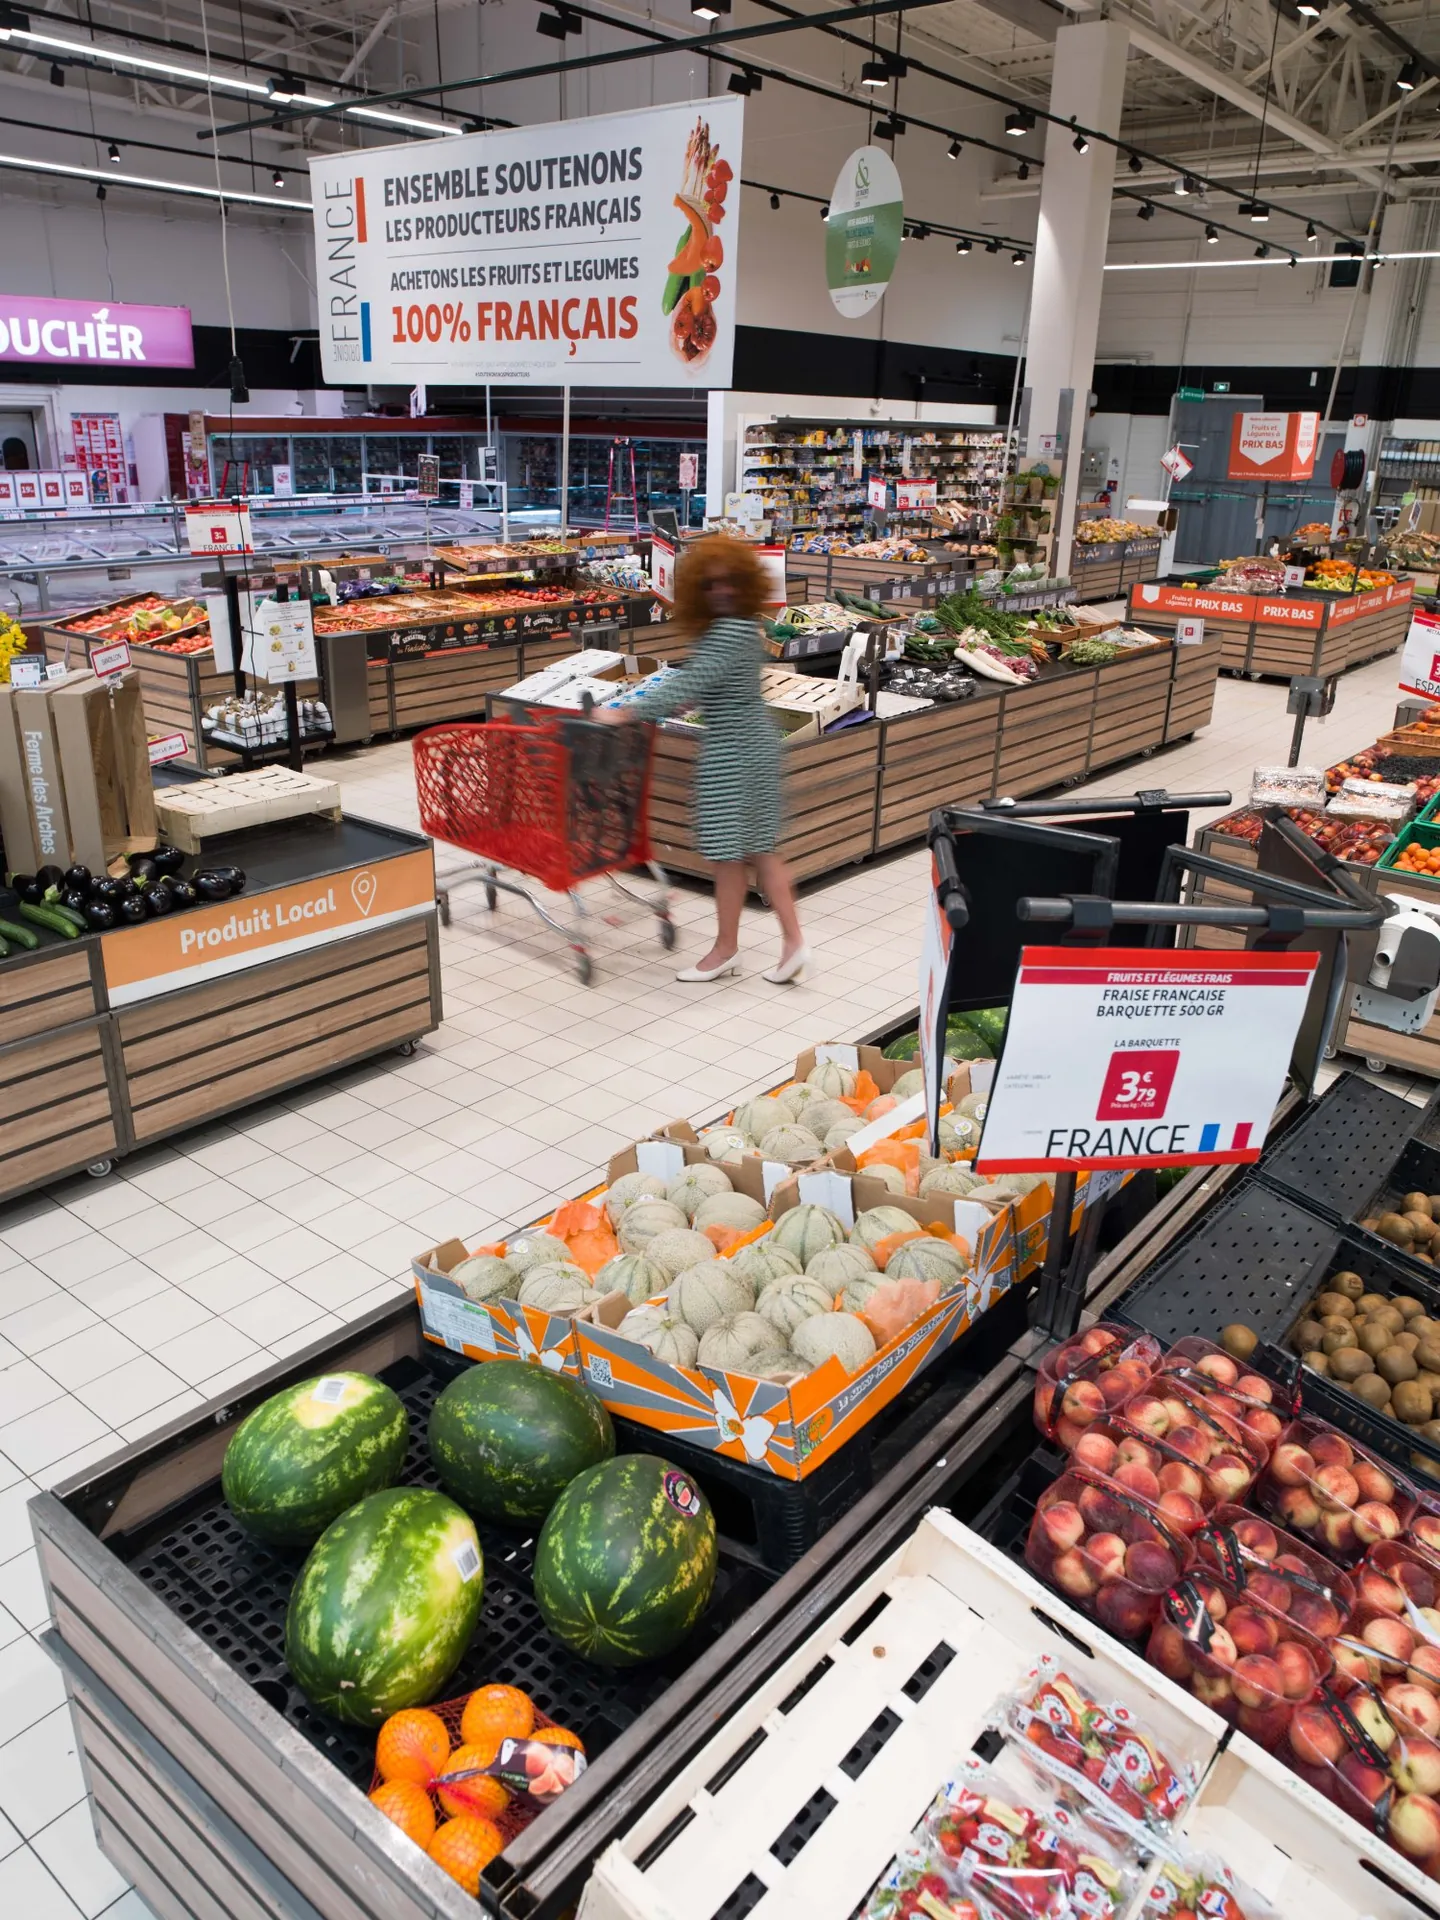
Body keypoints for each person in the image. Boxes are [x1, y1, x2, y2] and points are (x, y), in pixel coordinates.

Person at [597, 534, 808, 984]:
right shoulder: (741, 626)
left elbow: (690, 681)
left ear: (743, 582)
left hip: (735, 753)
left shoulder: (728, 631)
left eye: (729, 582)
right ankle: (786, 944)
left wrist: (623, 713)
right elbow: (712, 684)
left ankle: (729, 948)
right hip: (748, 745)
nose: (722, 591)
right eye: (711, 585)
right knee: (753, 851)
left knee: (730, 854)